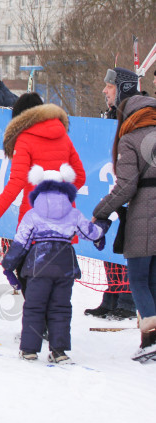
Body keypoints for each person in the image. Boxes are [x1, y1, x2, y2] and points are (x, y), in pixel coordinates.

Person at [0, 93, 86, 292]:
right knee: (59, 298)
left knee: (33, 293)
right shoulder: (63, 136)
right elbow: (80, 177)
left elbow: (17, 181)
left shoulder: (24, 139)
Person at [3, 165, 107, 364]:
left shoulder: (32, 214)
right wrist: (103, 226)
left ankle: (29, 350)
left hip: (38, 265)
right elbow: (91, 233)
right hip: (65, 266)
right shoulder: (73, 214)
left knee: (34, 307)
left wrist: (8, 266)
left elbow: (21, 243)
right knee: (61, 308)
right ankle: (59, 351)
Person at [93, 95, 156, 360]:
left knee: (139, 280)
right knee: (153, 281)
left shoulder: (130, 139)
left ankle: (151, 339)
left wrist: (101, 211)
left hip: (144, 215)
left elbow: (126, 186)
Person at [86, 68, 140, 318]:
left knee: (130, 242)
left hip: (136, 187)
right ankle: (113, 295)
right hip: (111, 182)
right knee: (111, 240)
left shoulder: (139, 114)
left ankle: (129, 300)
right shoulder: (112, 116)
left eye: (109, 86)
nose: (104, 90)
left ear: (122, 88)